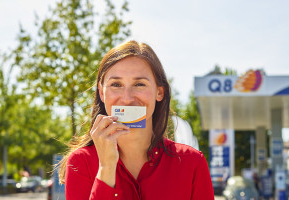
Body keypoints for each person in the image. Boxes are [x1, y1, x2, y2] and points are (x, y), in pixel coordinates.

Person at [58, 40, 214, 200]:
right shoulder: (80, 162)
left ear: (159, 92)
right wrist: (106, 167)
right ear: (102, 92)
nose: (127, 98)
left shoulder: (192, 163)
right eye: (116, 84)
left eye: (139, 84)